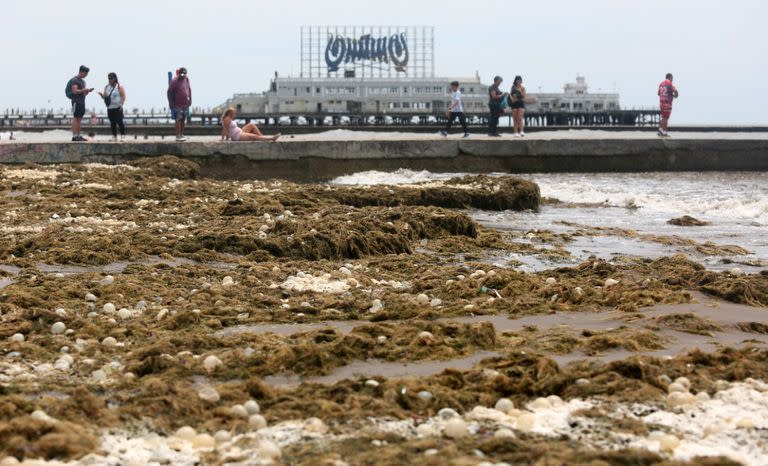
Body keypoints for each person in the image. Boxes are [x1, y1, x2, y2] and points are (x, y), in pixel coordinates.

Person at [68, 65, 94, 142]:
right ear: (82, 72)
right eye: (86, 74)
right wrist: (84, 90)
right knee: (75, 118)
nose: (86, 75)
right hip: (75, 101)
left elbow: (83, 93)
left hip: (82, 101)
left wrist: (87, 91)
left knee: (79, 119)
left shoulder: (83, 82)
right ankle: (74, 136)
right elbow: (74, 91)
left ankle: (78, 135)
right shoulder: (75, 80)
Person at [98, 72, 126, 141]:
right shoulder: (107, 87)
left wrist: (121, 104)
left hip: (117, 107)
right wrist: (102, 95)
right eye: (109, 78)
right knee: (112, 122)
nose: (110, 80)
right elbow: (105, 97)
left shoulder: (119, 87)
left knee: (120, 121)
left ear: (115, 79)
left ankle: (123, 135)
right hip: (110, 107)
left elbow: (123, 96)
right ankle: (114, 136)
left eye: (111, 78)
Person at [167, 67, 192, 141]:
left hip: (185, 103)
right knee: (178, 119)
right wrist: (170, 103)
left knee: (184, 119)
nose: (183, 75)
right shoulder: (174, 81)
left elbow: (189, 89)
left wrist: (190, 99)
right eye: (181, 74)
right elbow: (169, 92)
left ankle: (181, 134)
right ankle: (177, 135)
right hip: (177, 104)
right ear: (179, 73)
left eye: (184, 74)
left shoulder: (186, 79)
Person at [658, 73, 679, 137]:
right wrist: (675, 95)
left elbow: (659, 93)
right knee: (666, 118)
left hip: (661, 102)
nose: (672, 80)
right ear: (670, 77)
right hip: (667, 103)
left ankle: (660, 130)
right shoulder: (669, 83)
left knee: (663, 117)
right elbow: (676, 91)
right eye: (672, 78)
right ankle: (664, 132)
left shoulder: (661, 84)